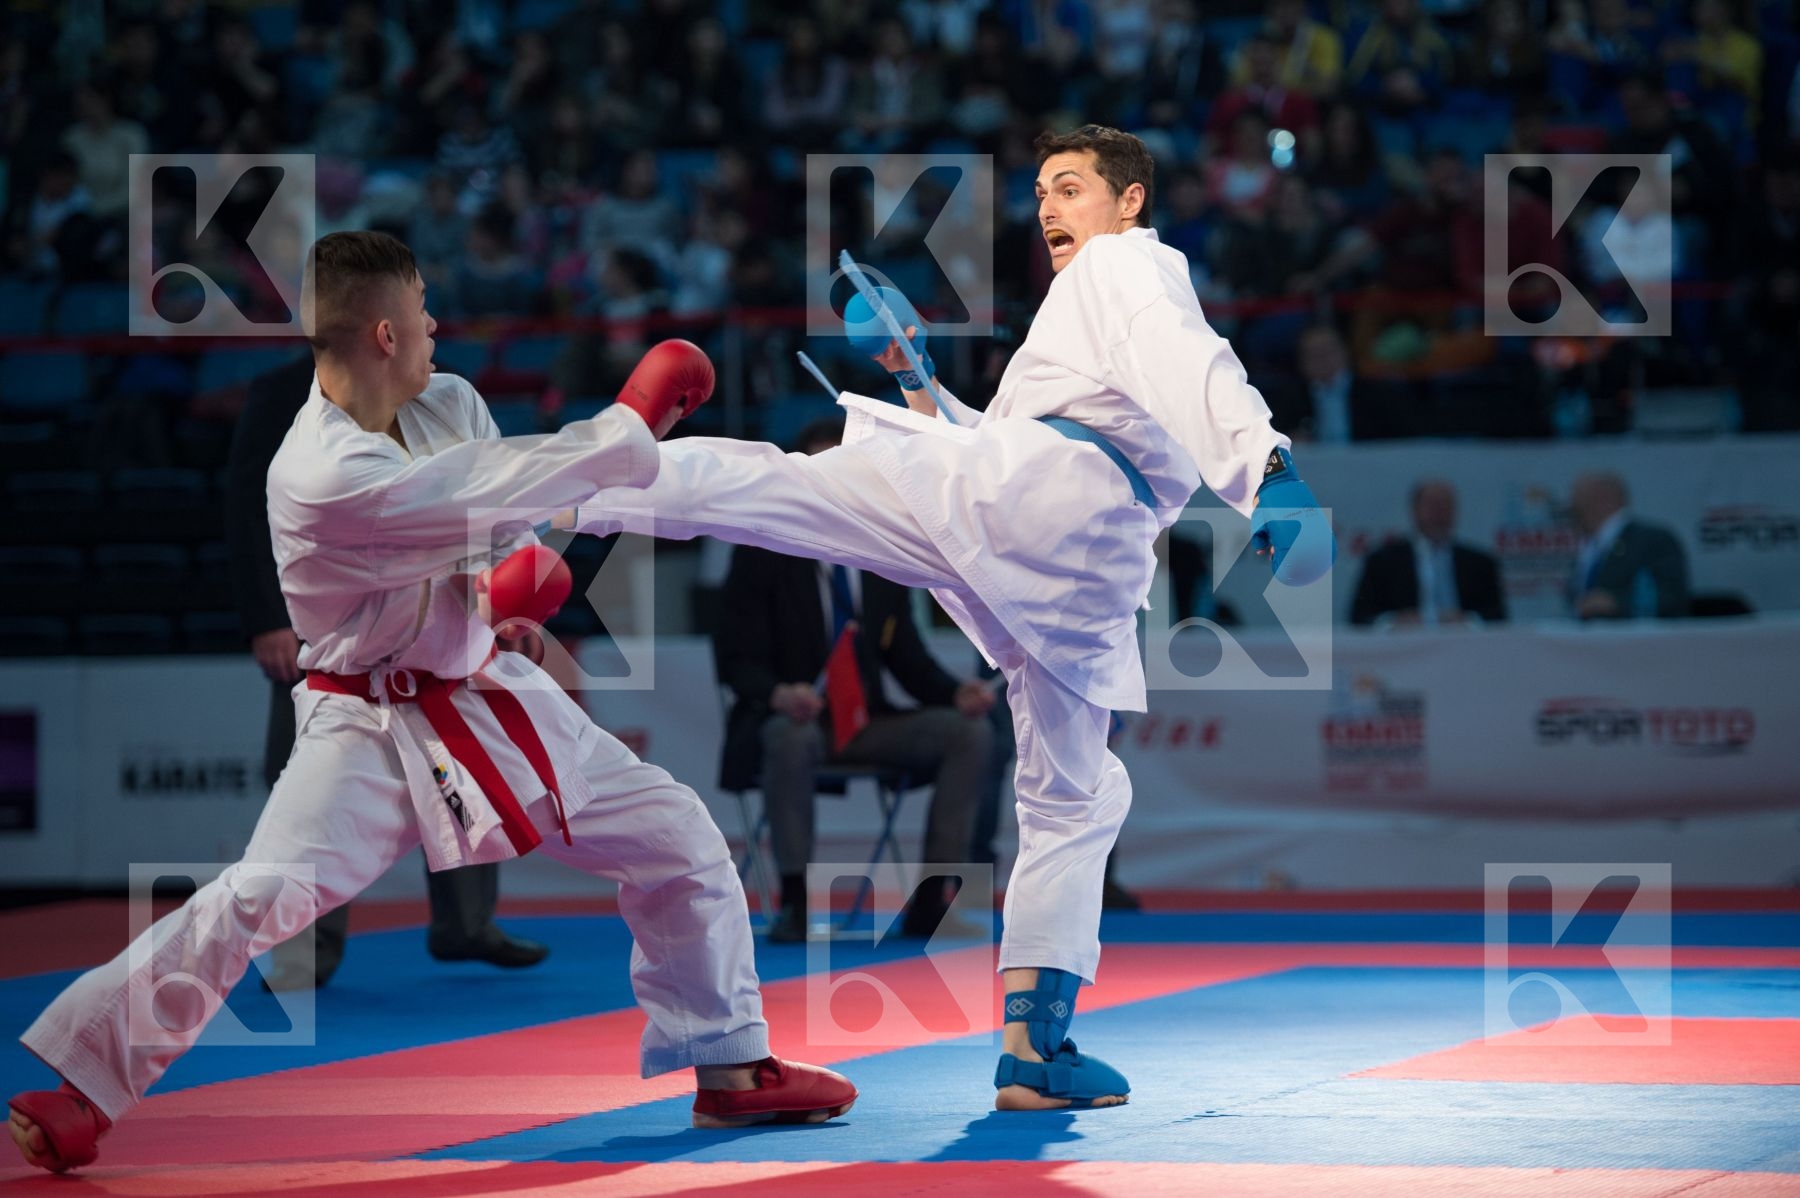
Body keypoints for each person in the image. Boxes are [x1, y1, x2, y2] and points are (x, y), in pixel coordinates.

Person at [7, 231, 855, 1176]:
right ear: (383, 331)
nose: (438, 326)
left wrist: (503, 605)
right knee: (258, 898)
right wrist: (634, 416)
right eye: (422, 311)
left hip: (484, 692)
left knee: (678, 833)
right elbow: (490, 491)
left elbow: (492, 533)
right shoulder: (321, 473)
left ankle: (731, 1068)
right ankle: (79, 1082)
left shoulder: (449, 399)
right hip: (360, 726)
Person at [566, 126, 1332, 1111]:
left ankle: (576, 484)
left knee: (775, 488)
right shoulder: (1073, 319)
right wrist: (920, 378)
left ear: (1131, 200)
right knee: (1076, 790)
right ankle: (1034, 1046)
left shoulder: (1126, 264)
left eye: (1071, 187)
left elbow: (1189, 361)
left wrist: (1269, 470)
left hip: (1054, 512)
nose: (1050, 208)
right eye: (1041, 192)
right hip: (1081, 551)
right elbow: (1018, 445)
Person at [226, 354, 549, 993]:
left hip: (437, 621)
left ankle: (467, 924)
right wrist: (267, 619)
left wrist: (508, 605)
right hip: (330, 633)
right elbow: (246, 509)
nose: (427, 323)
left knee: (464, 762)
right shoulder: (283, 392)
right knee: (312, 785)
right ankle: (302, 951)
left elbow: (483, 505)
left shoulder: (439, 390)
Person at [716, 418, 996, 944]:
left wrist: (953, 692)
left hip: (868, 721)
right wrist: (779, 693)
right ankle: (797, 902)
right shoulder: (761, 550)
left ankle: (933, 901)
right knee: (790, 737)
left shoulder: (880, 557)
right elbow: (734, 658)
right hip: (794, 720)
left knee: (969, 732)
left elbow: (905, 656)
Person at [1350, 479, 1507, 627]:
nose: (1439, 513)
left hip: (1467, 646)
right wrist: (1394, 621)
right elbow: (1360, 617)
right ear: (1414, 510)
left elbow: (1499, 617)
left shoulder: (1480, 563)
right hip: (1404, 648)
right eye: (1432, 506)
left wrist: (1468, 620)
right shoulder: (1382, 561)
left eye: (1446, 506)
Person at [1568, 471, 1690, 620]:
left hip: (1638, 640)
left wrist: (1615, 603)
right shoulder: (1588, 549)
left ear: (1604, 499)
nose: (1572, 508)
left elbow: (1671, 598)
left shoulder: (1654, 540)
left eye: (1580, 502)